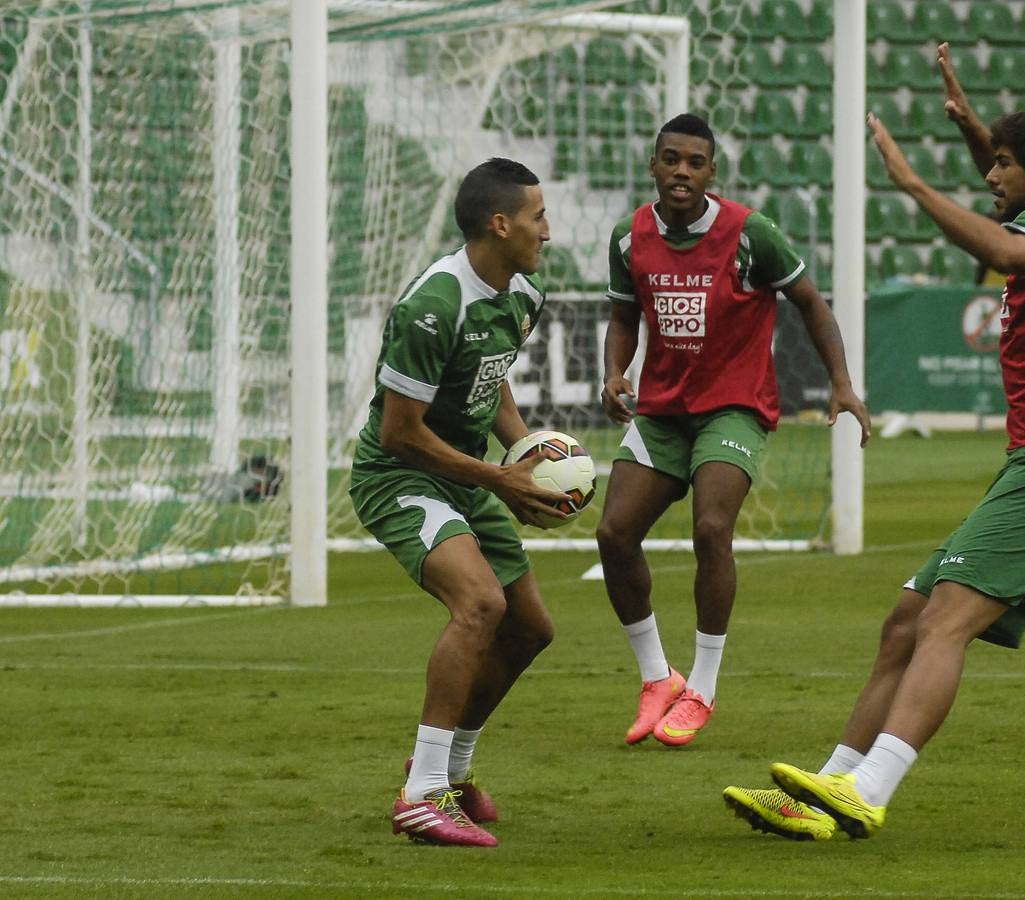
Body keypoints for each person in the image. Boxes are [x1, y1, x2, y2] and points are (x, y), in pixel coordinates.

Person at [723, 45, 1025, 841]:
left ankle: (872, 789)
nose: (990, 175)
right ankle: (830, 788)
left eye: (1003, 164)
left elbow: (1003, 247)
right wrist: (974, 127)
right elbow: (1023, 203)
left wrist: (912, 183)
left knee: (945, 621)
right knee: (904, 620)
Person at [597, 113, 871, 748]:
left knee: (712, 526)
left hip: (733, 406)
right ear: (654, 165)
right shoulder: (628, 237)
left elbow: (811, 301)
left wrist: (841, 383)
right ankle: (656, 678)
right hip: (663, 410)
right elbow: (622, 315)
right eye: (672, 160)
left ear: (712, 170)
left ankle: (704, 686)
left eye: (695, 162)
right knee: (614, 533)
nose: (682, 172)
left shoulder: (750, 233)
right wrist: (615, 372)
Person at [348, 157, 574, 847]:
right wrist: (497, 479)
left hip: (469, 476)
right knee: (481, 604)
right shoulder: (432, 305)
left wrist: (525, 454)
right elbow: (400, 433)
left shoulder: (523, 296)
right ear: (500, 223)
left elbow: (492, 380)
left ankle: (446, 771)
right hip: (400, 476)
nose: (547, 229)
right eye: (538, 216)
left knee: (531, 628)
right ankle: (419, 799)